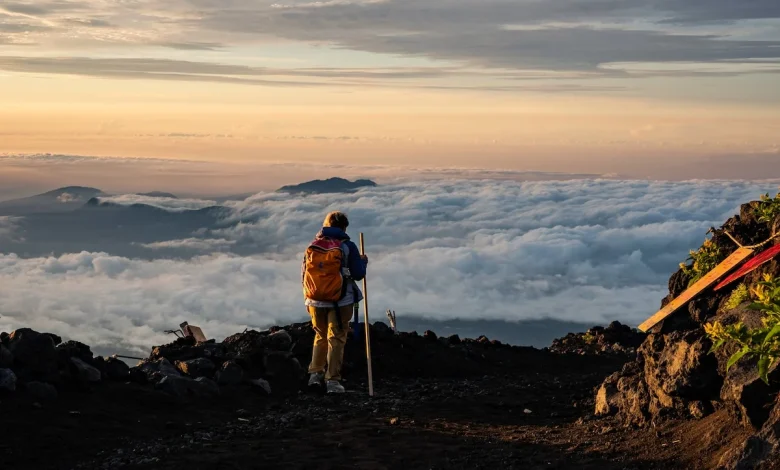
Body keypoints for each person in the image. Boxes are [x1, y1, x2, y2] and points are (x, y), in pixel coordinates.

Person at [302, 211, 368, 394]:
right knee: (336, 338)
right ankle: (332, 381)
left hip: (315, 300)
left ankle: (315, 375)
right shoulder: (347, 247)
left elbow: (304, 274)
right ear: (344, 227)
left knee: (320, 335)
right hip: (341, 300)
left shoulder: (313, 245)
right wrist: (363, 262)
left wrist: (308, 299)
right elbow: (358, 274)